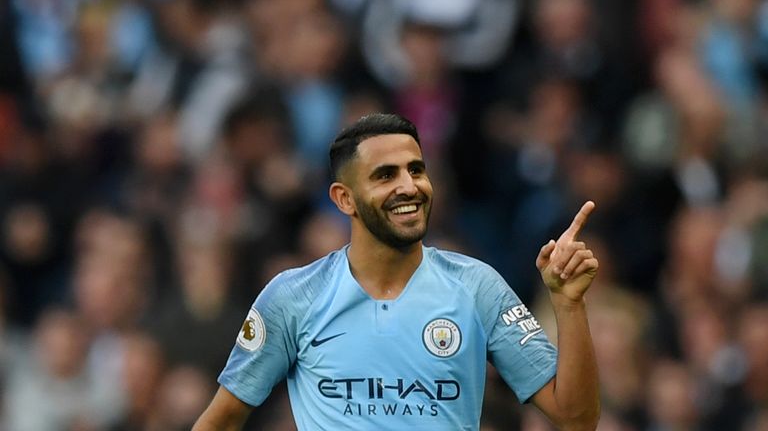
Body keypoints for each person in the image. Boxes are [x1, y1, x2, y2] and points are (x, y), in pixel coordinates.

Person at [193, 113, 600, 430]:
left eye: (416, 169)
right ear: (344, 199)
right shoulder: (293, 297)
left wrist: (569, 304)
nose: (409, 186)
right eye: (386, 175)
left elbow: (576, 419)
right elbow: (222, 420)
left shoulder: (477, 287)